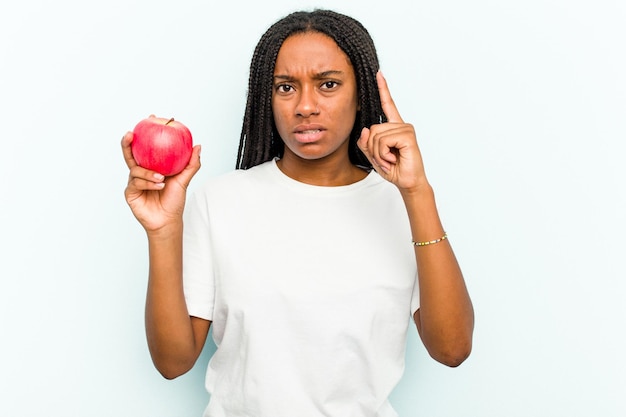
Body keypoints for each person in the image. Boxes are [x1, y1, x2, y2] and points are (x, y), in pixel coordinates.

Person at [122, 9, 473, 417]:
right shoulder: (219, 200)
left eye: (328, 84)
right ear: (265, 98)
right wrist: (162, 232)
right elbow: (172, 362)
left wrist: (417, 192)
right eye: (285, 87)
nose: (305, 106)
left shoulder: (402, 204)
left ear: (362, 93)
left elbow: (452, 349)